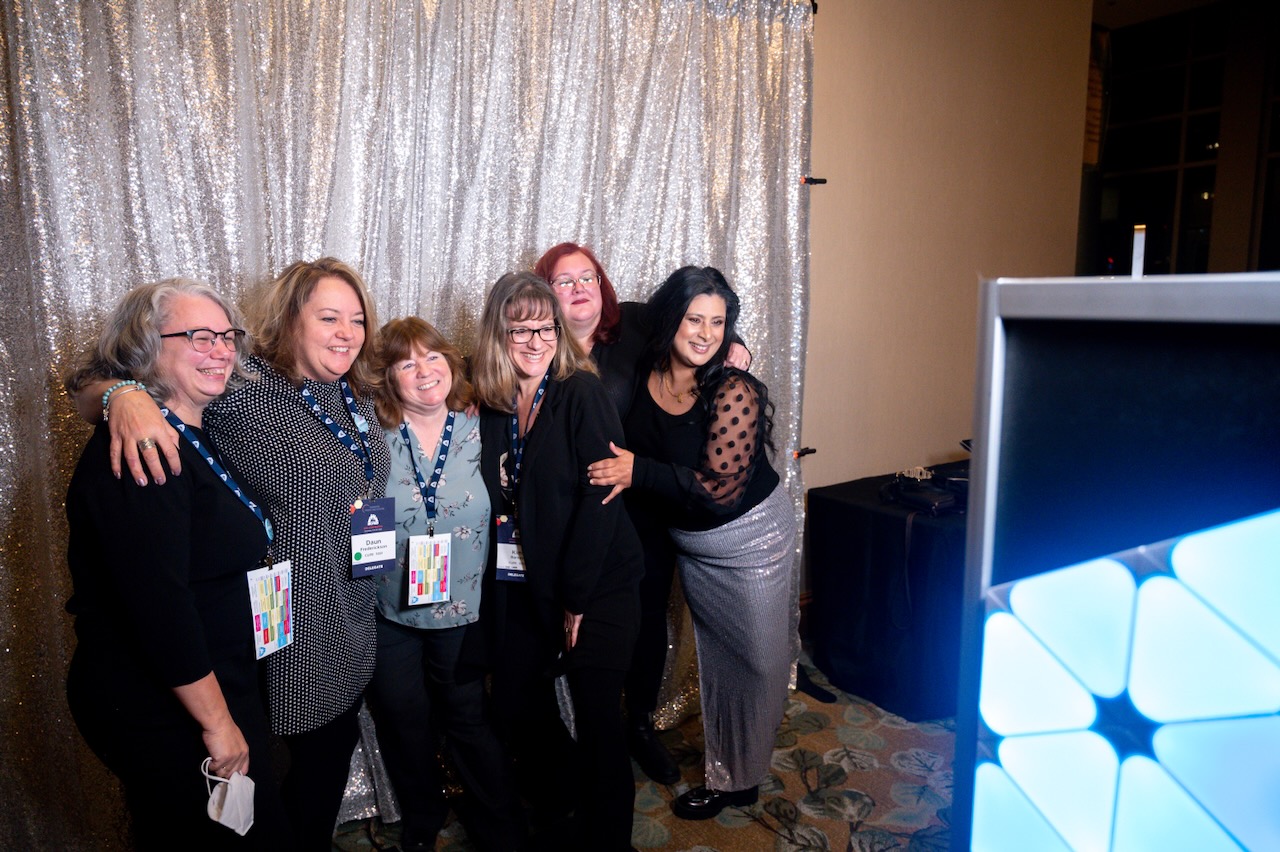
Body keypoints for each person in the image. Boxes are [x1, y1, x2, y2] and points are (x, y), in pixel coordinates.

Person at [74, 258, 390, 850]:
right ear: (290, 321)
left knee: (301, 784)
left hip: (346, 615)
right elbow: (108, 384)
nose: (347, 332)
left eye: (357, 319)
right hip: (291, 636)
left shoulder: (353, 394)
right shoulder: (242, 393)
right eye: (328, 317)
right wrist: (121, 394)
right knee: (263, 803)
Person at [64, 278, 290, 848]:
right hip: (170, 704)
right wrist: (218, 725)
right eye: (197, 336)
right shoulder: (147, 447)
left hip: (218, 679)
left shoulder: (191, 431)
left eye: (226, 336)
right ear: (144, 347)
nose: (220, 350)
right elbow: (159, 607)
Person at [533, 243, 751, 785]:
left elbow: (697, 315)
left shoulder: (628, 325)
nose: (580, 287)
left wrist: (736, 344)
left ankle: (639, 727)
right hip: (569, 510)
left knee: (646, 621)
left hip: (641, 506)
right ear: (543, 293)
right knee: (559, 615)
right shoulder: (534, 345)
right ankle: (576, 733)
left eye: (589, 276)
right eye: (564, 281)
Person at [587, 266, 796, 821]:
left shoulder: (733, 388)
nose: (705, 333)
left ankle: (740, 781)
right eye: (694, 318)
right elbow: (612, 310)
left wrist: (638, 472)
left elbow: (718, 491)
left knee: (755, 660)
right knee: (719, 655)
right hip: (690, 540)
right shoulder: (643, 361)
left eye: (719, 323)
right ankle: (731, 767)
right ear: (670, 318)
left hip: (749, 538)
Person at [468, 271, 643, 851]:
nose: (536, 340)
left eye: (545, 327)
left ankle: (609, 839)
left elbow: (602, 498)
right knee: (514, 700)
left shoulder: (579, 392)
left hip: (599, 581)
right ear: (500, 333)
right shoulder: (492, 401)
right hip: (528, 581)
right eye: (521, 328)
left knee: (598, 719)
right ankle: (562, 800)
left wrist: (576, 599)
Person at [367, 317, 523, 851]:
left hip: (463, 606)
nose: (423, 370)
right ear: (388, 378)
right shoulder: (366, 431)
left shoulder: (487, 426)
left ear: (452, 363)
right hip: (389, 608)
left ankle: (497, 820)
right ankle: (422, 816)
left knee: (466, 718)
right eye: (406, 362)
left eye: (432, 356)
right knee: (404, 721)